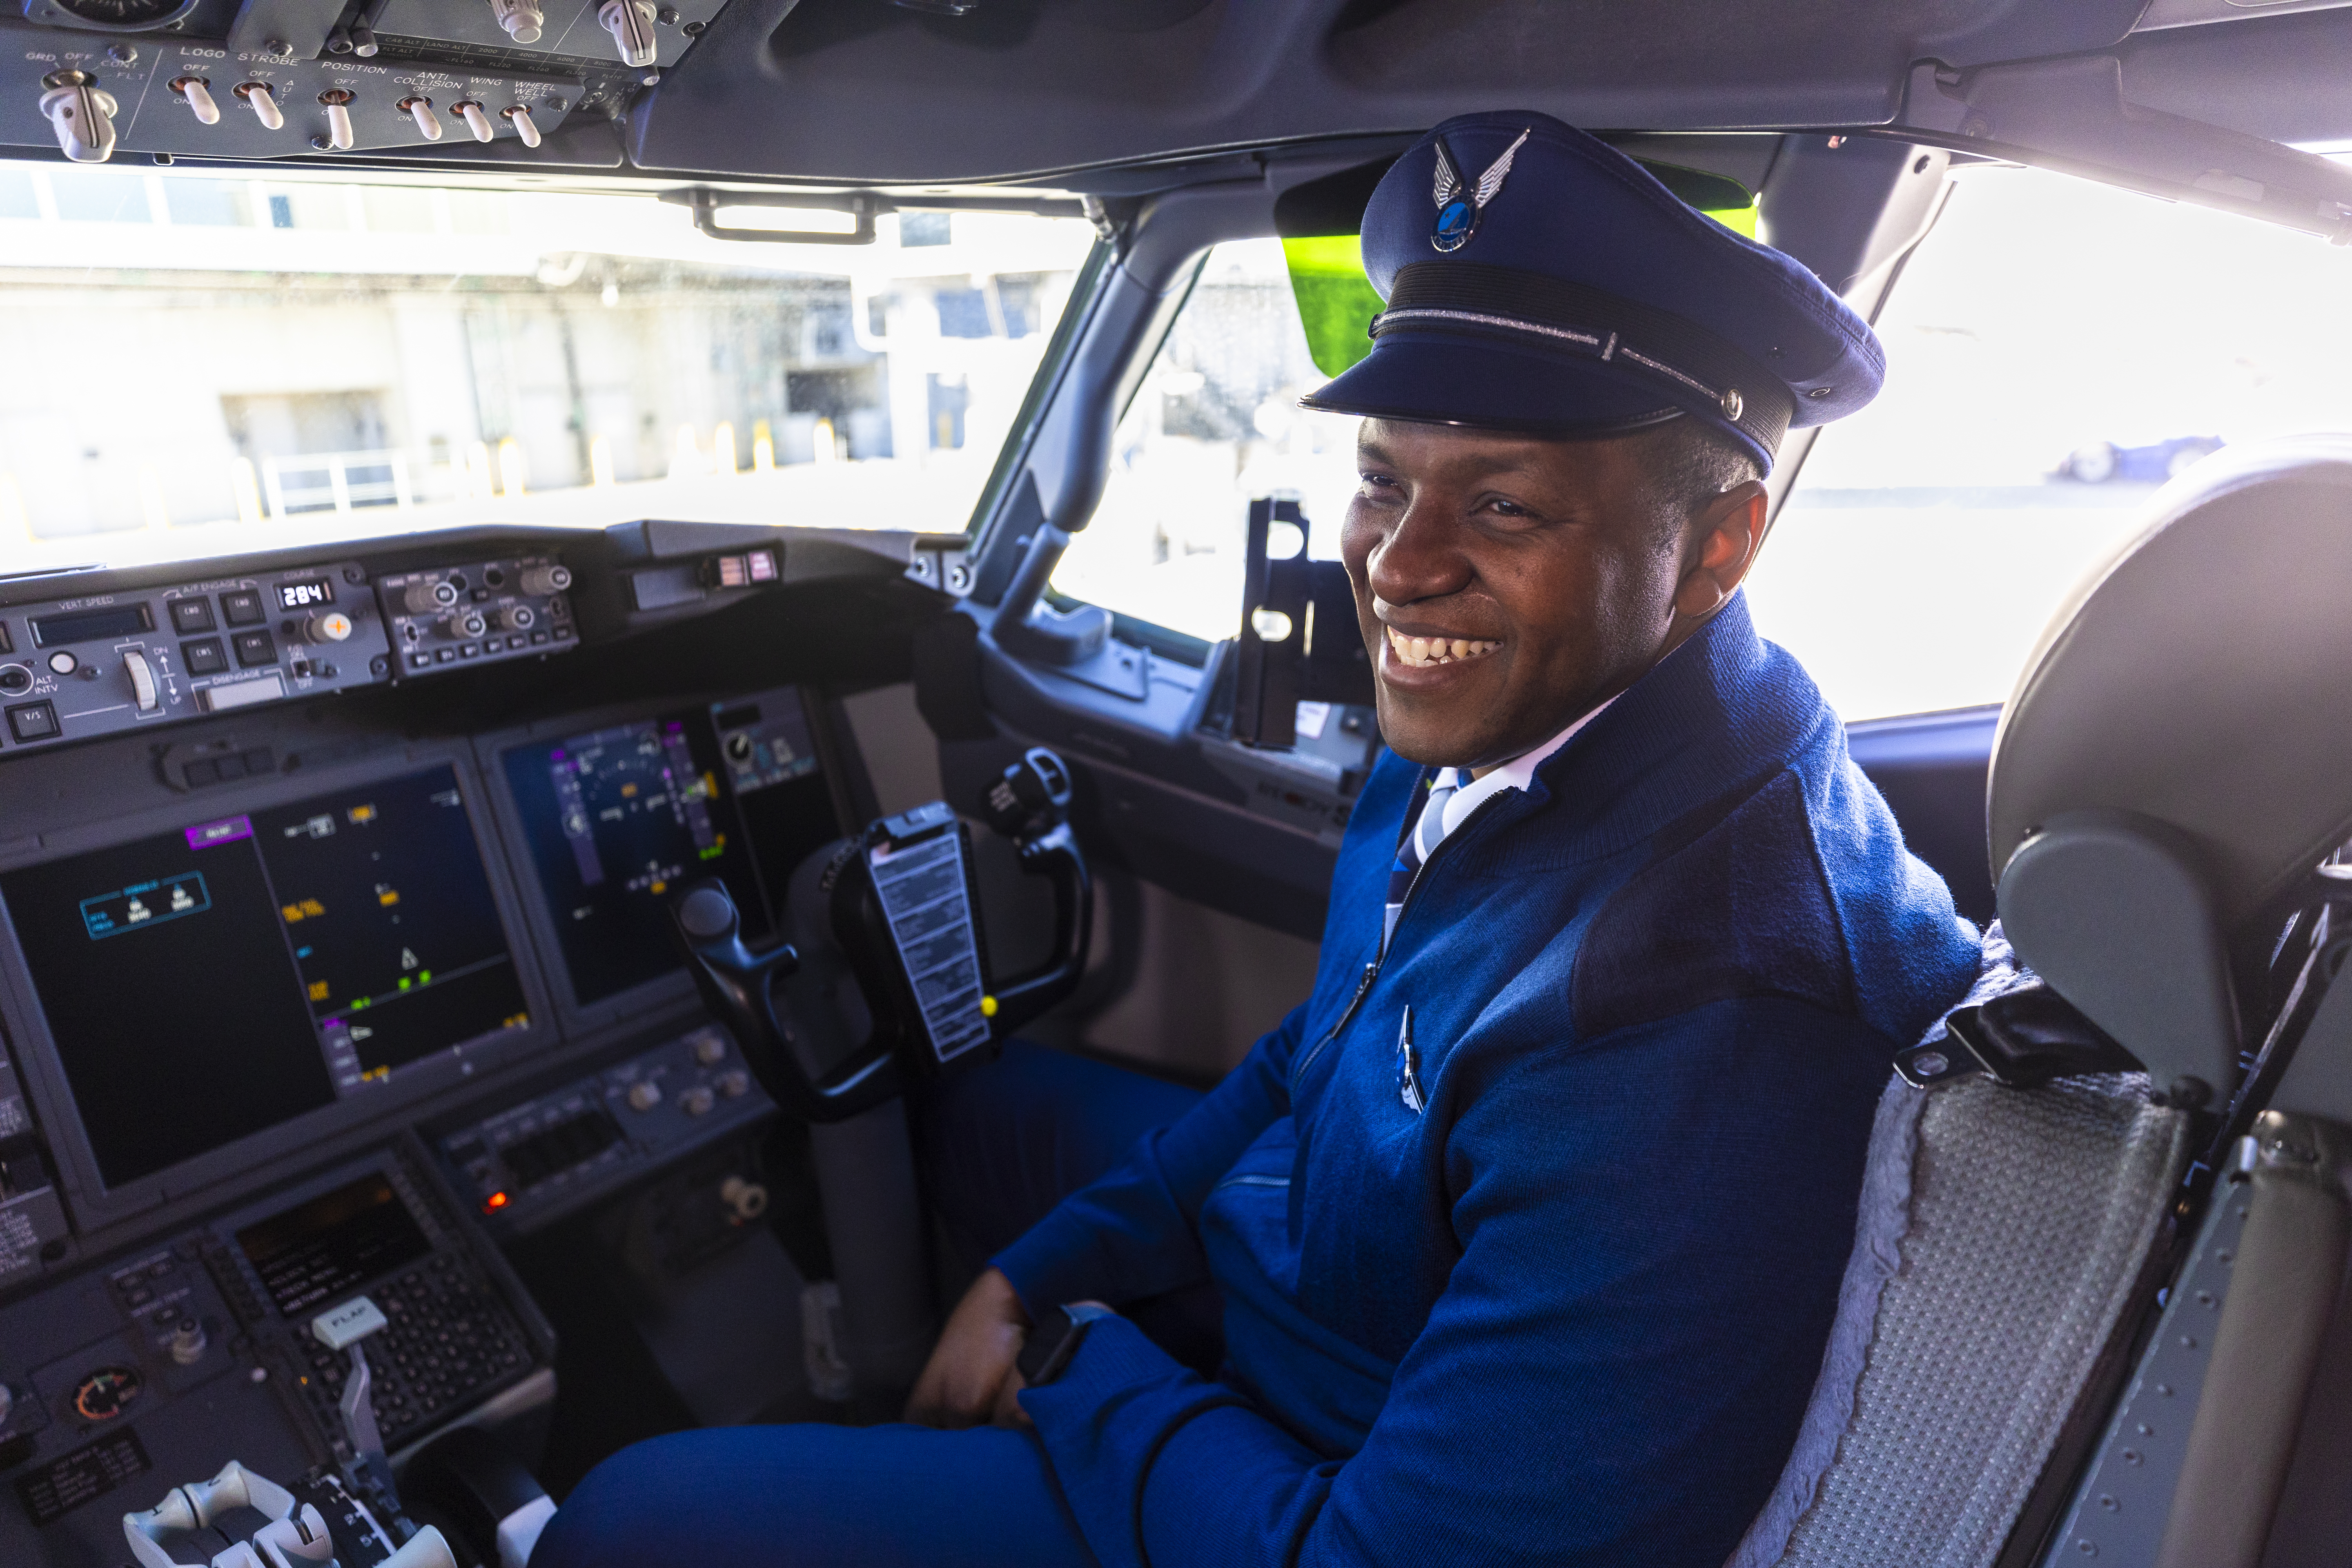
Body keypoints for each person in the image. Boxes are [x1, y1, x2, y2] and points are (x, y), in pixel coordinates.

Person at [531, 111, 1984, 1568]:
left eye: (1503, 505)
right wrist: (1037, 1274)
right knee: (973, 1118)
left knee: (625, 1522)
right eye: (1382, 479)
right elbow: (1330, 1042)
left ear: (1721, 546)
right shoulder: (1527, 720)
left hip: (1325, 1474)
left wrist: (1070, 1370)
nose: (1401, 567)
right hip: (1356, 1283)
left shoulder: (1708, 1029)